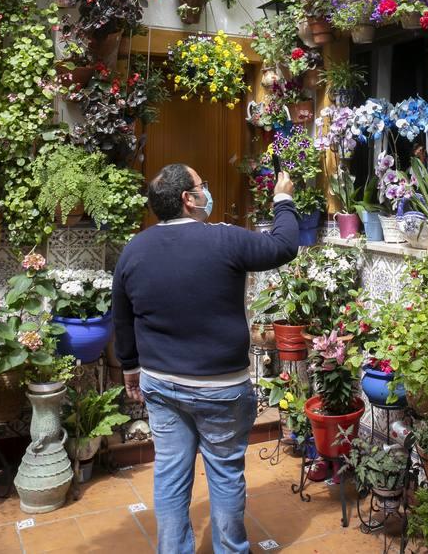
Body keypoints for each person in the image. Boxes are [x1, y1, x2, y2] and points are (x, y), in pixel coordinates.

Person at [112, 163, 299, 554]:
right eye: (203, 185)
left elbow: (122, 316)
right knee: (226, 472)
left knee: (170, 473)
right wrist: (283, 199)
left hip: (160, 384)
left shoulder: (135, 249)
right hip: (221, 389)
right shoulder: (224, 239)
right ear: (188, 199)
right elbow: (283, 246)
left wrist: (130, 367)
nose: (206, 192)